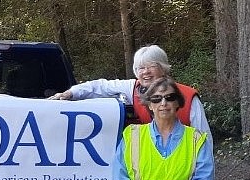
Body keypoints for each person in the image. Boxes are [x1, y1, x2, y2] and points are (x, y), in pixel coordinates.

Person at [48, 45, 211, 138]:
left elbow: (204, 139)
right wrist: (70, 93)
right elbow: (100, 86)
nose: (145, 72)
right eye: (140, 68)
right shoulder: (131, 88)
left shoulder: (189, 97)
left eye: (151, 66)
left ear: (163, 68)